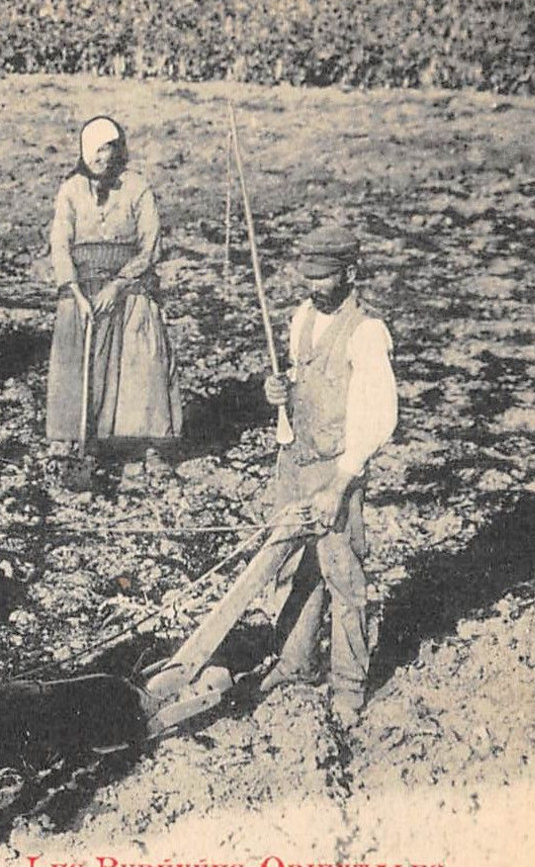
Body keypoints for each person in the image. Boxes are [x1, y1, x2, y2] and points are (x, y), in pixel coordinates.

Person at [144, 225, 397, 732]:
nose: (314, 287)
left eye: (324, 278)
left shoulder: (368, 333)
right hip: (294, 462)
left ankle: (349, 688)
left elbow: (379, 419)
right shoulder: (302, 319)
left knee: (342, 579)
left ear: (351, 273)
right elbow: (297, 389)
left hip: (334, 469)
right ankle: (296, 663)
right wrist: (277, 394)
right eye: (309, 277)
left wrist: (339, 485)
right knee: (292, 571)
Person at [46, 115, 182, 477]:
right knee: (74, 346)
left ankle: (147, 442)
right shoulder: (71, 190)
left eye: (110, 150)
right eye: (97, 152)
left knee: (143, 352)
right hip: (83, 285)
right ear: (84, 153)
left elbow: (150, 246)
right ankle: (70, 438)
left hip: (129, 281)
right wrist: (75, 292)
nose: (104, 159)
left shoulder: (137, 188)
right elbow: (60, 244)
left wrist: (119, 284)